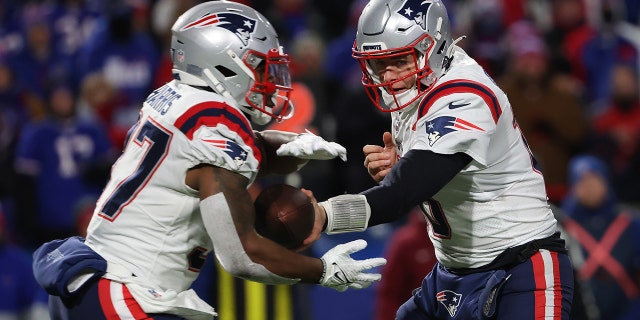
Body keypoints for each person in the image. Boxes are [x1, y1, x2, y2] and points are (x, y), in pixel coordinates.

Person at [31, 2, 385, 319]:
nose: (269, 81)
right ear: (222, 64)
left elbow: (239, 153)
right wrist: (321, 270)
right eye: (260, 68)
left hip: (103, 281)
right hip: (127, 290)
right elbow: (242, 256)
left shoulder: (175, 97)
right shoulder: (215, 121)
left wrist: (293, 145)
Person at [309, 0, 574, 319]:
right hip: (452, 271)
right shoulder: (420, 84)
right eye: (378, 64)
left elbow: (400, 195)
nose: (387, 75)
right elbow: (424, 175)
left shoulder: (465, 96)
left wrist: (324, 215)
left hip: (519, 268)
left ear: (431, 49)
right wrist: (405, 163)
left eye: (398, 60)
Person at [558, 155, 640, 320]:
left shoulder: (630, 223)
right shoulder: (562, 227)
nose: (589, 185)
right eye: (582, 180)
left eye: (595, 178)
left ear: (606, 181)